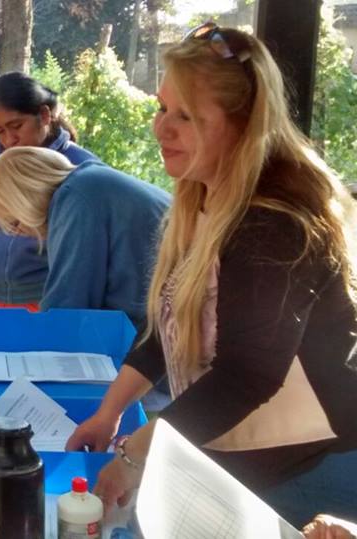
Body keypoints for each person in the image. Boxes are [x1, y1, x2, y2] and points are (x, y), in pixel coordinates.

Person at [65, 23, 357, 528]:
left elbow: (246, 376)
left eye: (187, 117)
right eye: (162, 108)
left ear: (242, 126)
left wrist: (134, 456)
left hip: (310, 464)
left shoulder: (273, 225)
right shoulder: (203, 200)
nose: (161, 129)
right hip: (248, 451)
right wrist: (108, 413)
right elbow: (171, 328)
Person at [0, 147, 169, 328]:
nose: (18, 234)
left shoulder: (77, 197)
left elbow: (66, 309)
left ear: (26, 200)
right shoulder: (88, 181)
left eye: (13, 223)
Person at [0, 72, 99, 310]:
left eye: (17, 126)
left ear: (44, 115)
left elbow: (90, 250)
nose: (9, 140)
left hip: (41, 297)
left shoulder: (79, 168)